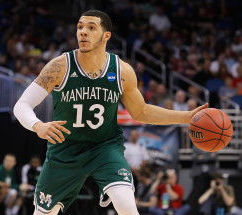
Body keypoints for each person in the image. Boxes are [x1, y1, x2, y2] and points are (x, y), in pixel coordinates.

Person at [14, 10, 207, 215]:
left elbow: (140, 111)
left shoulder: (122, 71)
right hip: (65, 151)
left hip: (104, 148)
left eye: (91, 27)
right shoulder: (60, 66)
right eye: (80, 27)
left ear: (106, 35)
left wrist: (186, 117)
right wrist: (37, 125)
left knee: (127, 206)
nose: (83, 32)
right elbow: (22, 104)